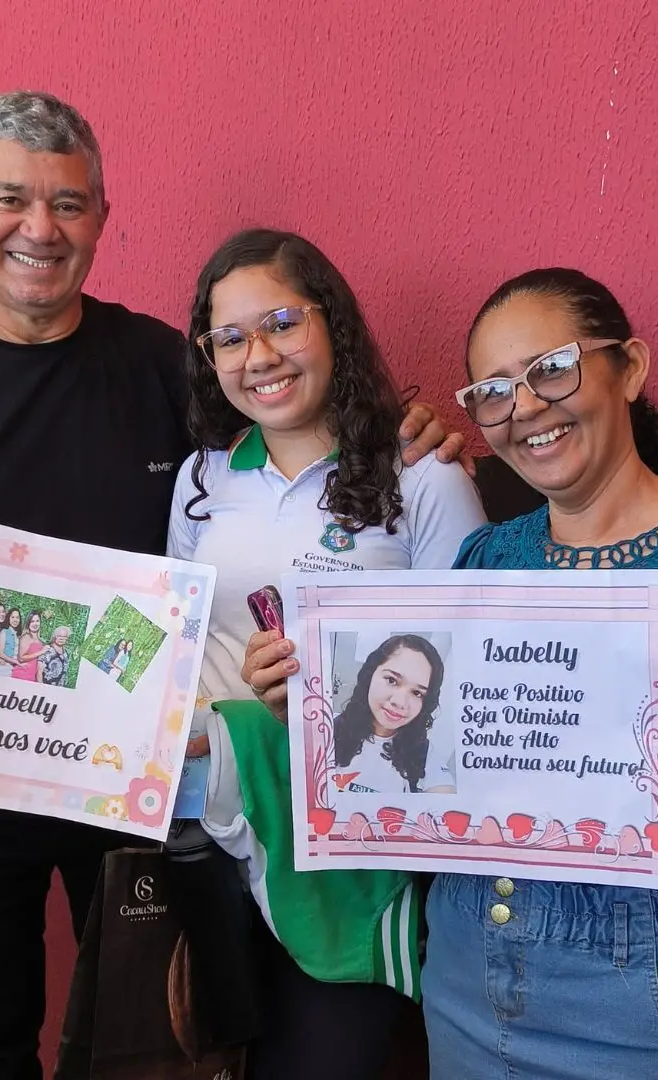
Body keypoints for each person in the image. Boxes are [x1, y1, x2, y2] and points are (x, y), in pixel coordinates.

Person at [0, 90, 461, 1080]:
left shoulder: (157, 365)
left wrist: (402, 435)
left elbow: (287, 445)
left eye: (70, 204)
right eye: (11, 198)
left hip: (141, 786)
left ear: (101, 217)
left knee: (153, 1037)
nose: (40, 230)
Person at [412, 266, 658, 1078]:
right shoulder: (485, 558)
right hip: (463, 952)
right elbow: (440, 765)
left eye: (551, 370)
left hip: (641, 980)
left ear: (628, 368)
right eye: (493, 391)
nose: (523, 407)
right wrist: (325, 707)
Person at [170, 227, 486, 1078]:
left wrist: (333, 701)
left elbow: (473, 678)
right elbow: (177, 640)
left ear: (332, 323)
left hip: (352, 848)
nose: (258, 355)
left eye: (280, 322)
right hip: (213, 824)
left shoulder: (422, 476)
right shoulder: (202, 477)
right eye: (228, 338)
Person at [332, 634, 456, 795]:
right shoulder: (324, 728)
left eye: (417, 693)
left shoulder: (425, 755)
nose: (400, 702)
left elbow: (445, 795)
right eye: (392, 680)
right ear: (370, 674)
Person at [10, 610, 45, 682]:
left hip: (31, 677)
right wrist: (41, 652)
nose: (35, 624)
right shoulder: (27, 636)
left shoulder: (40, 641)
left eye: (37, 621)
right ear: (28, 623)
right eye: (32, 621)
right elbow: (21, 658)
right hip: (22, 675)